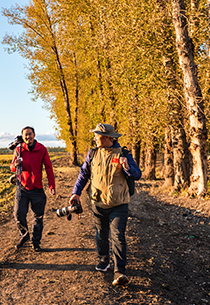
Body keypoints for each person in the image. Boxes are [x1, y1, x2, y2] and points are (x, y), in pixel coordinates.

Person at [70, 123, 141, 286]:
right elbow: (84, 174)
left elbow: (137, 175)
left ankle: (119, 271)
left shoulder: (124, 153)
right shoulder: (93, 153)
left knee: (118, 237)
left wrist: (127, 166)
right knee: (101, 235)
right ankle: (104, 260)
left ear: (108, 137)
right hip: (98, 202)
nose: (94, 138)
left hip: (119, 204)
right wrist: (76, 192)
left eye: (97, 135)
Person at [10, 126, 56, 251]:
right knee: (18, 214)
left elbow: (48, 168)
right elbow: (12, 168)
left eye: (30, 134)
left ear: (34, 135)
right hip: (22, 188)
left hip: (37, 189)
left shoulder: (41, 149)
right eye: (25, 135)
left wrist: (52, 185)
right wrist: (16, 164)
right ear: (22, 136)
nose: (28, 137)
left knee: (38, 218)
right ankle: (24, 235)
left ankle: (36, 242)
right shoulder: (18, 150)